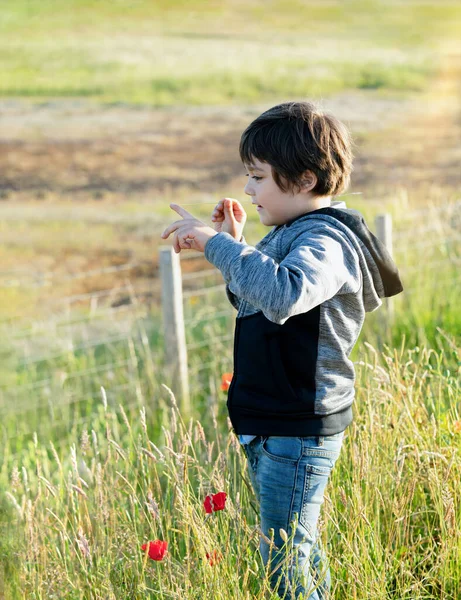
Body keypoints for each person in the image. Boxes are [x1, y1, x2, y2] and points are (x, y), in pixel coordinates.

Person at [161, 101, 403, 599]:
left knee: (283, 565)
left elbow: (285, 295)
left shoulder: (326, 242)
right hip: (276, 420)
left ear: (306, 179)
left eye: (258, 177)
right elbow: (255, 300)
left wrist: (216, 246)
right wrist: (234, 244)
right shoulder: (292, 233)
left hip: (298, 425)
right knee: (299, 553)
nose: (248, 190)